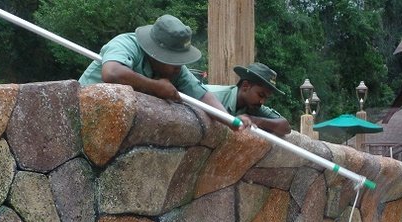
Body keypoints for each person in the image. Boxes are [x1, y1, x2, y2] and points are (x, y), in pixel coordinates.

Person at [79, 14, 250, 130]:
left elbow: (203, 96)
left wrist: (230, 120)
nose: (179, 66)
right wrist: (155, 87)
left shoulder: (176, 70)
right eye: (174, 60)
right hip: (81, 111)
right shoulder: (126, 44)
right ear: (157, 53)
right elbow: (111, 73)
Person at [204, 63, 291, 136]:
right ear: (245, 86)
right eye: (261, 95)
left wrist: (254, 120)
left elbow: (286, 127)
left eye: (266, 98)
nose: (262, 102)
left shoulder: (254, 107)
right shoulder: (213, 96)